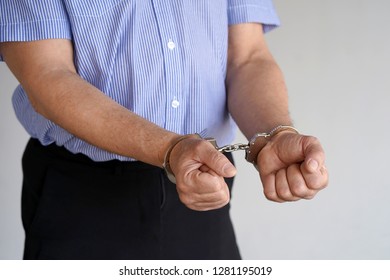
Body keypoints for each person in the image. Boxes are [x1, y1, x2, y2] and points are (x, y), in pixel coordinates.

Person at [0, 0, 328, 260]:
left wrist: (274, 134)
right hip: (82, 197)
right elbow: (47, 76)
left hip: (206, 191)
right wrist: (169, 149)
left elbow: (247, 58)